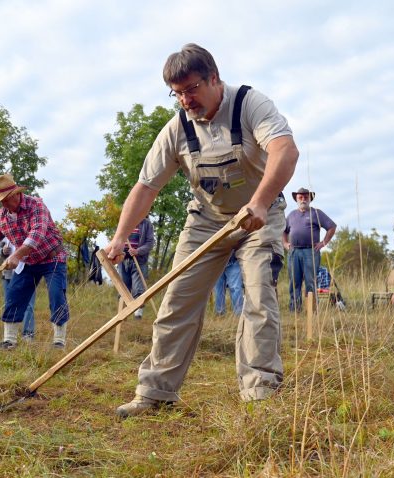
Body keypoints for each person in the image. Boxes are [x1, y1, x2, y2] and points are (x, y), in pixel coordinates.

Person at [103, 43, 299, 418]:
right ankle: (154, 394)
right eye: (176, 93)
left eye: (191, 89)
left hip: (259, 214)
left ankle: (260, 394)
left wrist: (259, 202)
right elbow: (147, 186)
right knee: (177, 300)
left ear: (214, 78)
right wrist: (119, 236)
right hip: (207, 221)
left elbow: (285, 151)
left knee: (258, 295)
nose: (185, 100)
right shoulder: (176, 128)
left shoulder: (249, 105)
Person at [0, 173, 70, 349]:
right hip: (28, 262)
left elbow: (36, 234)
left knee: (56, 295)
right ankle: (9, 340)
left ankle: (59, 341)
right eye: (0, 200)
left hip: (52, 258)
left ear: (17, 194)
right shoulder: (0, 217)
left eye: (6, 199)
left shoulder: (36, 205)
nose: (4, 204)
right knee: (14, 296)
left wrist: (16, 255)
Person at [282, 187, 336, 312]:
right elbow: (283, 231)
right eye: (300, 197)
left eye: (306, 197)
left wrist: (323, 243)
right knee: (294, 282)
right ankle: (295, 310)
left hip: (310, 252)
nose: (303, 199)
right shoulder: (291, 215)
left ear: (310, 199)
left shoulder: (316, 213)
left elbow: (332, 227)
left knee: (310, 282)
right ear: (296, 199)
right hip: (294, 252)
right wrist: (285, 243)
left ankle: (312, 311)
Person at [0, 238, 36, 341]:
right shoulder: (5, 230)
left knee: (28, 305)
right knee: (9, 304)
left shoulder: (31, 227)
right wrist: (2, 251)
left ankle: (28, 334)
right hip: (8, 273)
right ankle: (9, 336)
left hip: (28, 272)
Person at [118, 216, 154, 319]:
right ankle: (122, 315)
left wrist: (137, 251)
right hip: (122, 259)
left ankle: (138, 313)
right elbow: (117, 239)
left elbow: (150, 243)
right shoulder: (125, 221)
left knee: (138, 287)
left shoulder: (146, 224)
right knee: (123, 288)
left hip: (138, 259)